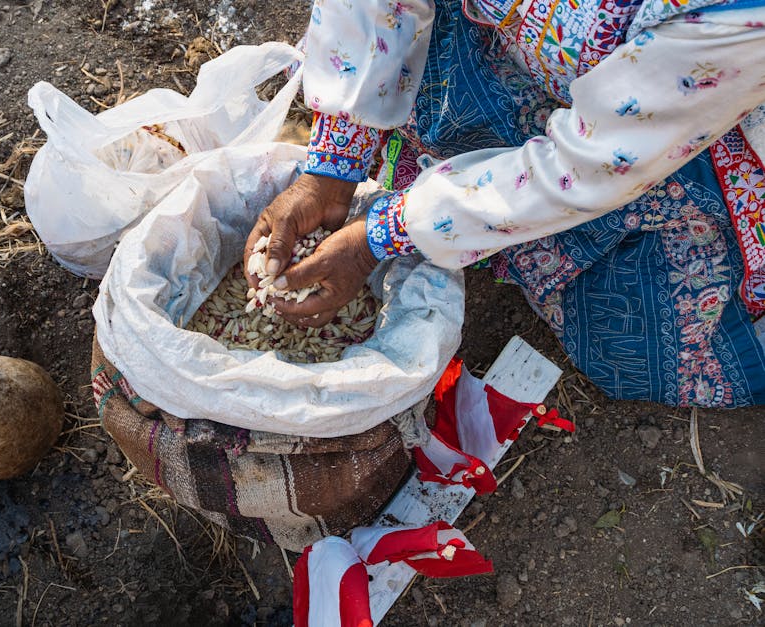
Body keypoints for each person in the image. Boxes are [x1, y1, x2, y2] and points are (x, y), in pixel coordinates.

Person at [244, 0, 765, 408]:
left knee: (642, 351)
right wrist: (332, 165)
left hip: (684, 128)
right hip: (511, 44)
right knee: (425, 100)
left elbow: (590, 163)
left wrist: (375, 239)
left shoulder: (732, 18)